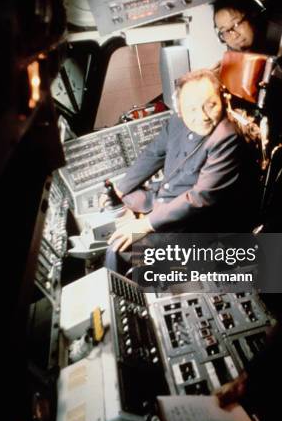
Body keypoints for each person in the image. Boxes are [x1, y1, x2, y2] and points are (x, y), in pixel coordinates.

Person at [104, 69, 260, 273]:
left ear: (222, 99)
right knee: (111, 210)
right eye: (192, 109)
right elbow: (154, 154)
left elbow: (200, 197)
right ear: (179, 110)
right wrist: (120, 189)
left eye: (210, 105)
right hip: (164, 200)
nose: (202, 116)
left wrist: (145, 225)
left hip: (196, 224)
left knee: (116, 251)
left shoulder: (226, 137)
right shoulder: (176, 122)